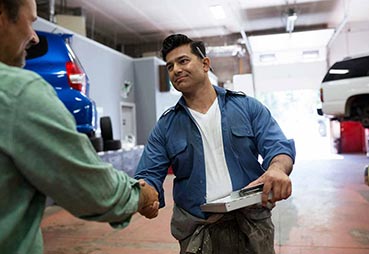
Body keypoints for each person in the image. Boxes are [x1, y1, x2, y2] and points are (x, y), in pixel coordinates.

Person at [0, 0, 159, 253]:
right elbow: (89, 187)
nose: (33, 37)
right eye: (30, 22)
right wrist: (140, 195)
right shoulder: (18, 91)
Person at [135, 33, 296, 254]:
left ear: (205, 64)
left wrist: (277, 169)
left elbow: (277, 145)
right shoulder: (165, 126)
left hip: (252, 225)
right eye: (170, 66)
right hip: (199, 232)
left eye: (183, 61)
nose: (176, 70)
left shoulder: (247, 107)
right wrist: (146, 196)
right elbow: (149, 174)